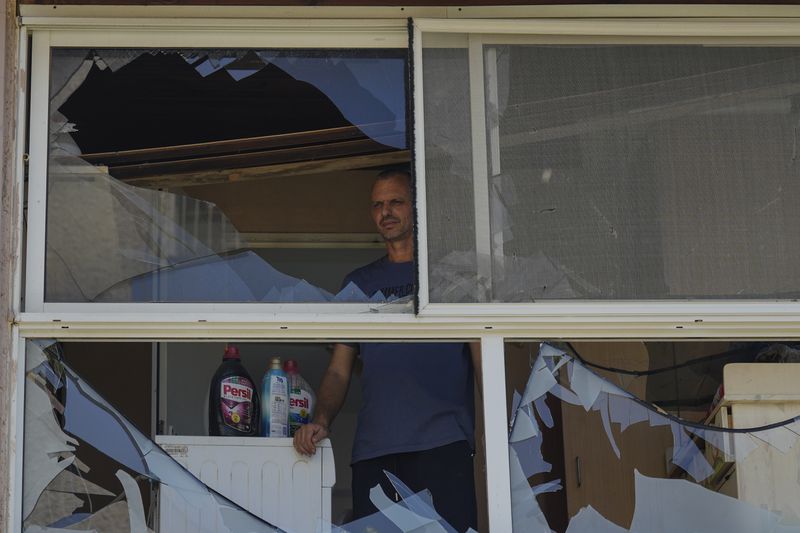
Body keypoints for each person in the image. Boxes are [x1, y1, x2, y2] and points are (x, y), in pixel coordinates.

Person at [293, 168, 480, 531]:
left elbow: (482, 357)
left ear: (417, 207)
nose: (386, 212)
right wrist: (320, 420)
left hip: (443, 445)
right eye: (378, 205)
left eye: (396, 202)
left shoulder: (453, 278)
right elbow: (338, 370)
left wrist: (501, 429)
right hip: (375, 449)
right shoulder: (359, 284)